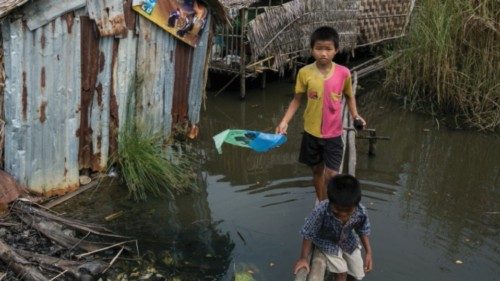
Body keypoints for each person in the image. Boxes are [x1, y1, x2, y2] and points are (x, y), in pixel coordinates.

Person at [275, 26, 366, 201]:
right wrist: (284, 121)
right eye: (319, 49)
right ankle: (322, 203)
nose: (323, 53)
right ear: (311, 50)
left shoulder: (343, 73)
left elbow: (349, 96)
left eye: (328, 49)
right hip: (311, 132)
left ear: (336, 50)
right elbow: (296, 100)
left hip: (333, 134)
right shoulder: (305, 73)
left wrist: (355, 116)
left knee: (331, 174)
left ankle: (329, 202)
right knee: (317, 170)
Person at [293, 174, 373, 280]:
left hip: (348, 240)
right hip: (327, 241)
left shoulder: (360, 212)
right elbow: (308, 233)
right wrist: (303, 258)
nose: (343, 215)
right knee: (341, 271)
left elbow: (363, 230)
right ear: (330, 201)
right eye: (337, 210)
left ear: (356, 205)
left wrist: (368, 252)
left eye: (348, 211)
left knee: (358, 273)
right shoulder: (321, 211)